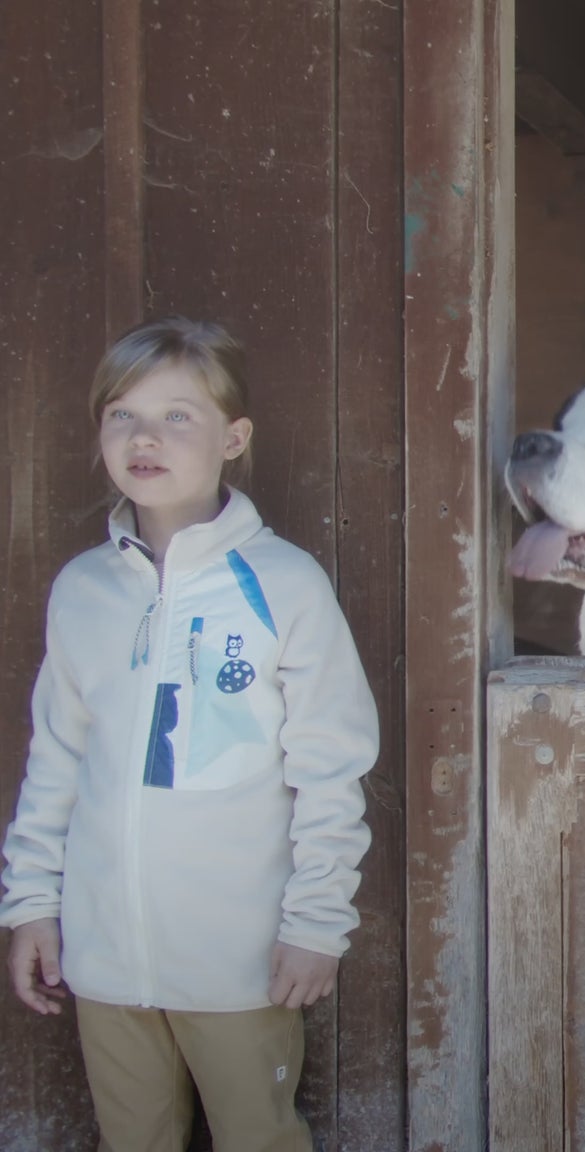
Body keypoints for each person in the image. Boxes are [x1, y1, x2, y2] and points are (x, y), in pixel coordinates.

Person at [1, 318, 378, 1151]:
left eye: (178, 416)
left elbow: (328, 768)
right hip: (104, 960)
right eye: (121, 416)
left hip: (240, 965)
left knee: (257, 1137)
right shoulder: (83, 591)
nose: (145, 437)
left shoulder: (283, 585)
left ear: (233, 437)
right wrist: (32, 903)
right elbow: (56, 757)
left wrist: (317, 922)